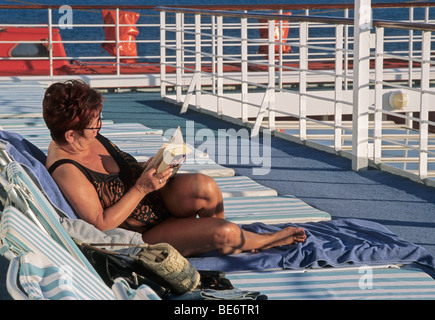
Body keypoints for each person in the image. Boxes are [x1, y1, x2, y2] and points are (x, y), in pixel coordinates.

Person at [43, 80, 306, 257]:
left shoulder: (86, 137)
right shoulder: (67, 170)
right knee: (222, 232)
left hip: (151, 197)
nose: (100, 125)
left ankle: (224, 240)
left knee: (205, 186)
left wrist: (156, 163)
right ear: (70, 135)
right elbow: (100, 224)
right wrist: (141, 187)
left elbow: (120, 169)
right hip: (142, 231)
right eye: (94, 124)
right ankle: (257, 242)